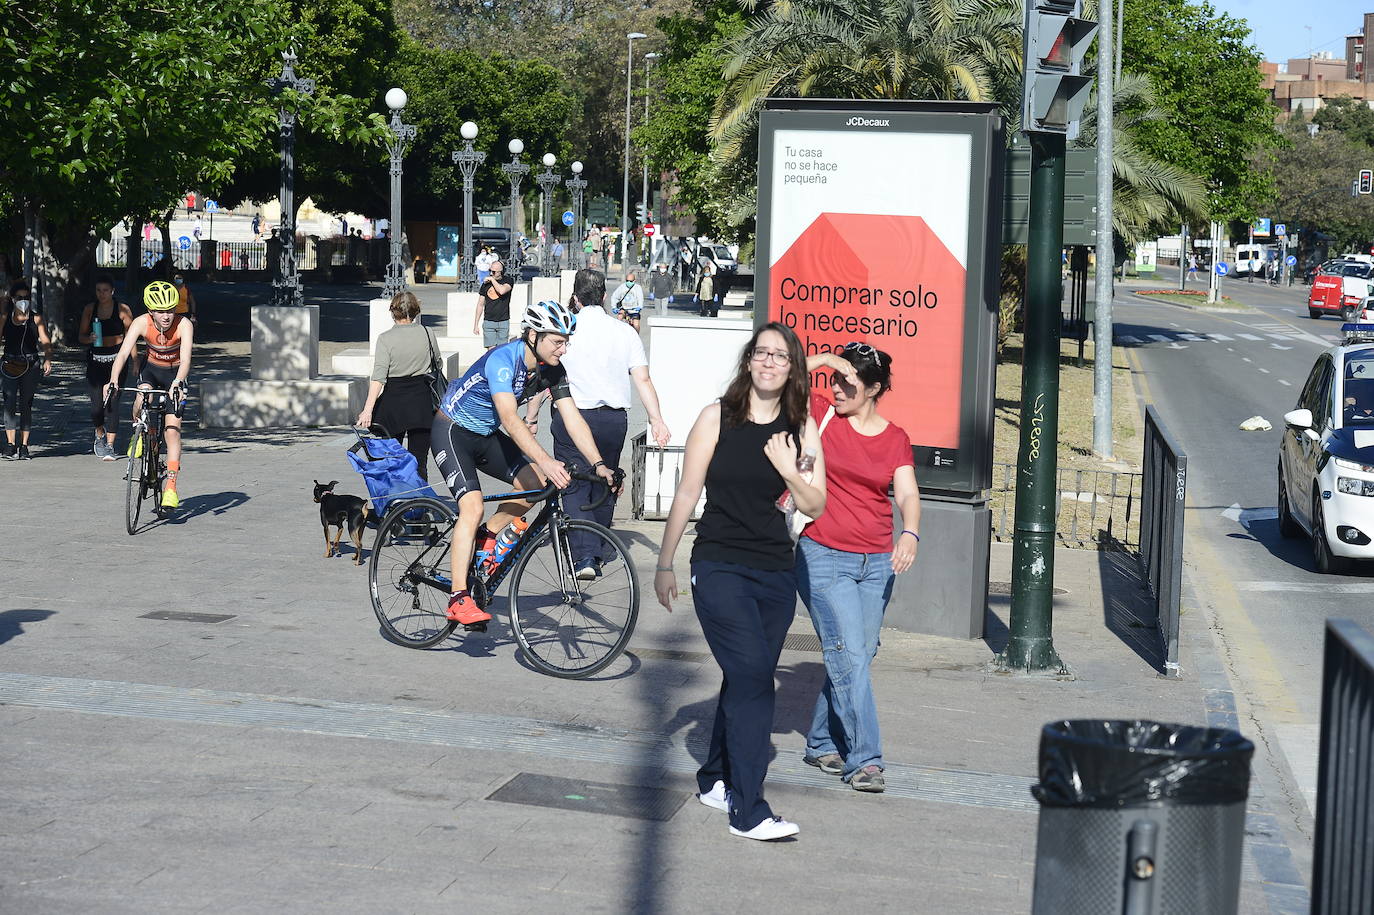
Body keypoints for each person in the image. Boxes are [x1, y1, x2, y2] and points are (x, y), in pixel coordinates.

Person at [653, 322, 825, 841]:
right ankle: (747, 809)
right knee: (754, 679)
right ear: (749, 361)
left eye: (780, 356)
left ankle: (712, 777)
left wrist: (789, 470)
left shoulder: (801, 428)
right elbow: (686, 494)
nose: (770, 362)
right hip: (720, 564)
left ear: (793, 368)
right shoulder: (717, 417)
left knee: (746, 675)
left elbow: (815, 504)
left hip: (775, 573)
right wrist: (665, 564)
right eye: (761, 353)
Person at [431, 300, 617, 625]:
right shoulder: (503, 360)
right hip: (453, 430)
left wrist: (599, 464)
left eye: (566, 341)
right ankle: (458, 599)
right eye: (558, 341)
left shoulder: (552, 370)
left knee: (536, 487)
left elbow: (573, 419)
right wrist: (545, 459)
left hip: (485, 435)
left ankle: (488, 533)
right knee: (472, 507)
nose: (564, 349)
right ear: (533, 335)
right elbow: (510, 418)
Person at [796, 343, 920, 794]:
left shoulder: (895, 437)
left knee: (857, 656)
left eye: (849, 383)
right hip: (823, 554)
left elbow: (906, 492)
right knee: (848, 654)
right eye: (835, 379)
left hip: (876, 564)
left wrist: (911, 532)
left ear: (874, 389)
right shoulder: (821, 414)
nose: (837, 388)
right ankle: (865, 759)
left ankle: (820, 740)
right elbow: (778, 377)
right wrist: (827, 361)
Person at [541, 269, 670, 578]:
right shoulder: (625, 332)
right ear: (602, 296)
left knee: (573, 485)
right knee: (606, 481)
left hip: (573, 416)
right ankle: (597, 550)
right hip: (613, 420)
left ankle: (583, 557)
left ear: (575, 298)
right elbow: (643, 378)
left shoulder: (566, 331)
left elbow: (546, 369)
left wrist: (532, 416)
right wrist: (657, 420)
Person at [105, 281, 194, 508]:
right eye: (161, 311)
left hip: (175, 374)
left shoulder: (184, 324)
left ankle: (171, 489)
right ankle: (141, 432)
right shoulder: (140, 322)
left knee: (172, 431)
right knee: (142, 396)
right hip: (151, 371)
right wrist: (113, 379)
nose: (166, 316)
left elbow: (186, 361)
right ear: (150, 311)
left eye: (171, 310)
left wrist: (177, 382)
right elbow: (123, 353)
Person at [356, 291, 439, 479]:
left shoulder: (385, 339)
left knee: (391, 460)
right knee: (419, 461)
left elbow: (378, 377)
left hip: (393, 405)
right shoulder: (427, 333)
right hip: (422, 403)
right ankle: (420, 501)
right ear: (416, 311)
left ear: (393, 312)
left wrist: (367, 410)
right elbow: (438, 363)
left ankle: (396, 501)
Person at [78, 274, 135, 461]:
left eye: (105, 291)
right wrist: (90, 339)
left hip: (117, 360)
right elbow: (81, 337)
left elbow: (131, 338)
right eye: (98, 290)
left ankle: (110, 445)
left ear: (112, 291)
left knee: (112, 403)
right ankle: (100, 433)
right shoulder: (89, 309)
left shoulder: (122, 309)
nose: (102, 294)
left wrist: (135, 360)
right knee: (96, 408)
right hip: (96, 360)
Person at [1, 281, 53, 460]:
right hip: (9, 364)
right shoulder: (5, 317)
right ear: (12, 299)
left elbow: (45, 340)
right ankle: (10, 444)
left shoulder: (36, 318)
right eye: (19, 298)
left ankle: (24, 446)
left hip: (30, 365)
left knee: (26, 404)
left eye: (26, 298)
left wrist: (48, 358)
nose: (23, 301)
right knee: (9, 404)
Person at [472, 259, 514, 348]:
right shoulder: (485, 285)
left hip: (503, 321)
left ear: (501, 272)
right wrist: (476, 325)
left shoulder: (508, 280)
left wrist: (492, 280)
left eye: (494, 272)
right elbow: (480, 304)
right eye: (490, 271)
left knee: (501, 351)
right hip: (489, 322)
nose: (491, 273)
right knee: (491, 352)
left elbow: (502, 291)